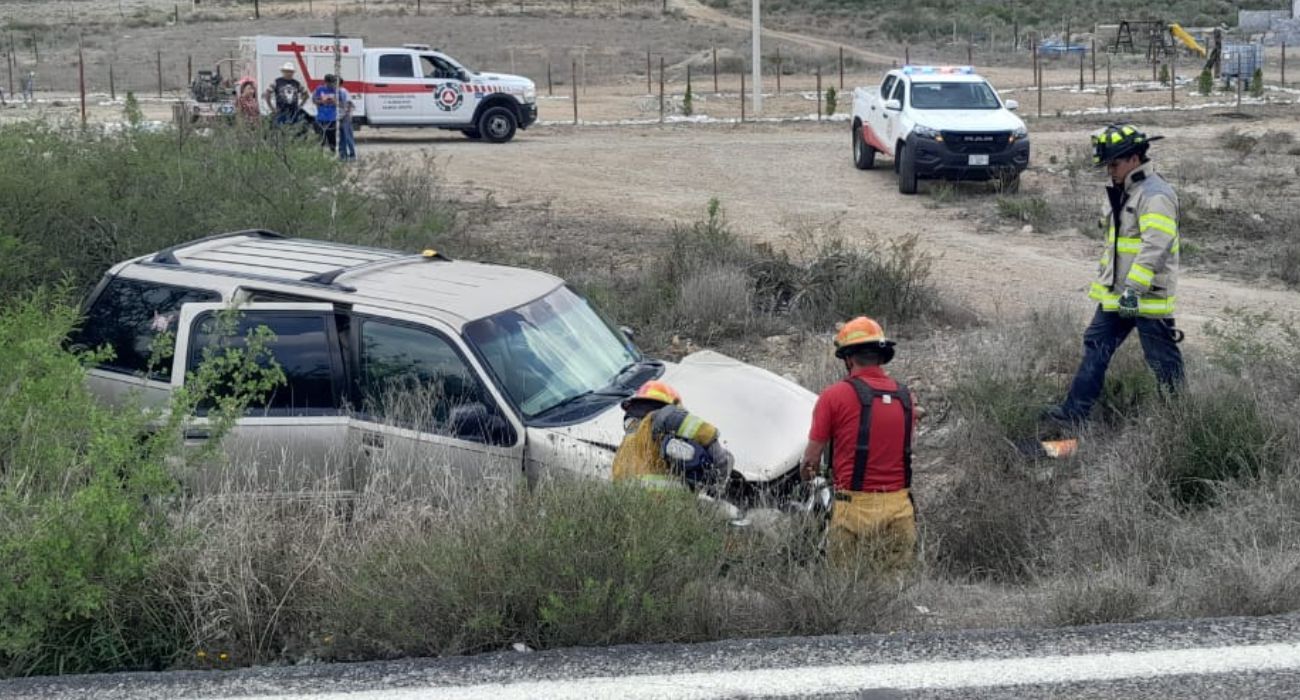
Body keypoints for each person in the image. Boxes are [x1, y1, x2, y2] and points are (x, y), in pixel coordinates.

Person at [1043, 124, 1183, 427]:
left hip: (1146, 296)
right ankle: (1073, 414)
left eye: (1114, 163)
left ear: (1134, 158)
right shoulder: (1124, 192)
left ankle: (1180, 420)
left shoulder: (1156, 194)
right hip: (1117, 294)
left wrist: (1133, 289)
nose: (1110, 171)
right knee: (1096, 345)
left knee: (1162, 360)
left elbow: (1155, 246)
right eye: (1108, 165)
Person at [801, 316, 917, 568]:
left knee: (846, 593)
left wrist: (807, 479)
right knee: (892, 595)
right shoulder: (906, 397)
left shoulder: (833, 397)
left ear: (849, 359)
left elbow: (810, 460)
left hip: (853, 510)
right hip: (900, 509)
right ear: (881, 356)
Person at [611, 380, 733, 492]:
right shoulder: (668, 416)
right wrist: (720, 472)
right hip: (667, 508)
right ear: (671, 406)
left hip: (634, 512)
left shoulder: (622, 451)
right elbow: (707, 433)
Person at [264, 62, 306, 127]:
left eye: (291, 72)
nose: (289, 73)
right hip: (281, 111)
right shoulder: (277, 81)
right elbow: (267, 94)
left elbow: (305, 94)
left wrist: (301, 105)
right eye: (287, 71)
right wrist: (272, 108)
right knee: (280, 131)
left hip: (293, 112)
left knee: (294, 130)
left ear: (293, 73)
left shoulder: (296, 83)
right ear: (283, 72)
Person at [312, 74, 340, 152]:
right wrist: (322, 101)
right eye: (331, 83)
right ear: (326, 82)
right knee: (321, 140)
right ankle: (320, 158)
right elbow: (314, 100)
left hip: (332, 118)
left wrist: (335, 102)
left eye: (333, 83)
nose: (332, 84)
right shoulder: (319, 89)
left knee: (332, 140)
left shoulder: (336, 90)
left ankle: (333, 154)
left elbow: (341, 103)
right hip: (321, 118)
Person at [336, 78, 356, 161]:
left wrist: (346, 115)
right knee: (342, 137)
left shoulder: (343, 91)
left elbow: (349, 104)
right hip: (340, 116)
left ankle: (352, 155)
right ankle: (343, 155)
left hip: (344, 117)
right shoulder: (337, 92)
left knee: (347, 136)